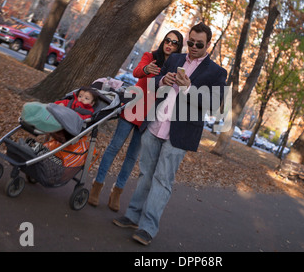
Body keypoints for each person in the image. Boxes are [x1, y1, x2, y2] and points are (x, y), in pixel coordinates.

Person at [113, 22, 227, 245]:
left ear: (208, 44)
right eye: (190, 42)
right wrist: (162, 80)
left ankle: (147, 228)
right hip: (154, 125)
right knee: (146, 173)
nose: (193, 47)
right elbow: (154, 83)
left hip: (180, 134)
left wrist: (187, 89)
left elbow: (214, 104)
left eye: (199, 44)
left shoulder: (216, 72)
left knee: (163, 180)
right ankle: (133, 216)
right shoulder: (174, 59)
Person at [88, 30, 184, 211]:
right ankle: (97, 185)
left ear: (178, 47)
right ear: (163, 42)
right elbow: (137, 71)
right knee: (114, 147)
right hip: (133, 107)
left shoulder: (174, 68)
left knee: (132, 156)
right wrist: (147, 69)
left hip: (149, 115)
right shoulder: (151, 56)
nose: (169, 44)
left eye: (175, 42)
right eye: (168, 40)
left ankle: (117, 192)